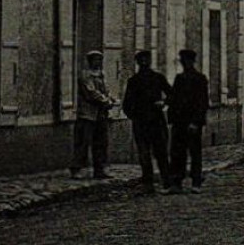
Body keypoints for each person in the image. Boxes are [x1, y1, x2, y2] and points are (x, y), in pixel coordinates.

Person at [120, 50, 171, 193]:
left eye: (146, 59)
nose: (144, 62)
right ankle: (148, 183)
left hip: (157, 121)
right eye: (141, 60)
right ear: (137, 62)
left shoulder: (158, 78)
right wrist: (135, 116)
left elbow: (172, 94)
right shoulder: (133, 81)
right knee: (144, 153)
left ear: (150, 61)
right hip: (141, 122)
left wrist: (163, 102)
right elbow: (126, 105)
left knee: (161, 152)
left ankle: (166, 182)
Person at [72, 50, 118, 180]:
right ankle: (77, 169)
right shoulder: (85, 75)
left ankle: (100, 169)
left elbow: (106, 90)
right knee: (83, 142)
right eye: (95, 59)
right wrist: (106, 101)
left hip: (101, 114)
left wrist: (110, 98)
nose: (98, 62)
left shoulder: (101, 75)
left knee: (101, 143)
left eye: (100, 60)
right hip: (87, 114)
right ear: (90, 61)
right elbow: (91, 93)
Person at [169, 49, 209, 191]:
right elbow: (173, 99)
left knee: (195, 153)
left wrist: (196, 122)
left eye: (186, 60)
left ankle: (196, 182)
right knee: (177, 152)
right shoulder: (179, 79)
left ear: (192, 61)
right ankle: (177, 182)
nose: (184, 63)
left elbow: (202, 103)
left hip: (192, 122)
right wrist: (172, 118)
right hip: (179, 122)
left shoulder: (200, 79)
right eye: (182, 60)